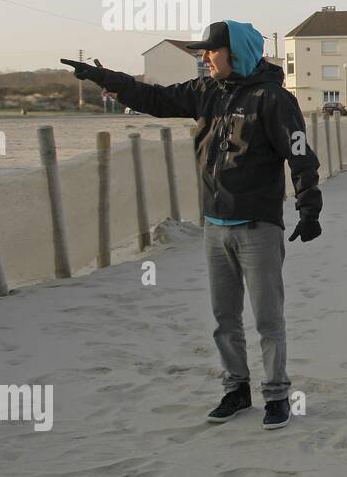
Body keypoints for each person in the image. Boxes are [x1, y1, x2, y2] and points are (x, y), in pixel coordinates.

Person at [62, 21, 322, 430]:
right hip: (215, 225)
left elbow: (299, 154)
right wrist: (105, 78)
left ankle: (276, 395)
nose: (204, 58)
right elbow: (152, 97)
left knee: (268, 318)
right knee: (224, 317)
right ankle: (236, 389)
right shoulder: (205, 93)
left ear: (234, 53)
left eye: (210, 51)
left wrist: (309, 207)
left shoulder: (272, 99)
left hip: (258, 226)